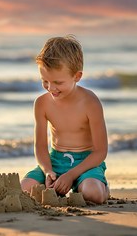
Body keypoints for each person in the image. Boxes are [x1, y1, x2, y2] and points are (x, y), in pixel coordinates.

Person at [20, 35, 109, 204]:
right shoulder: (41, 104)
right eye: (44, 81)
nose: (51, 88)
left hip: (86, 162)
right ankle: (63, 184)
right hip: (54, 161)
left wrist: (71, 175)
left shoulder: (90, 102)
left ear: (77, 76)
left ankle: (102, 187)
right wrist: (48, 171)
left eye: (58, 82)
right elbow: (40, 147)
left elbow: (100, 151)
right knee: (24, 190)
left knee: (92, 194)